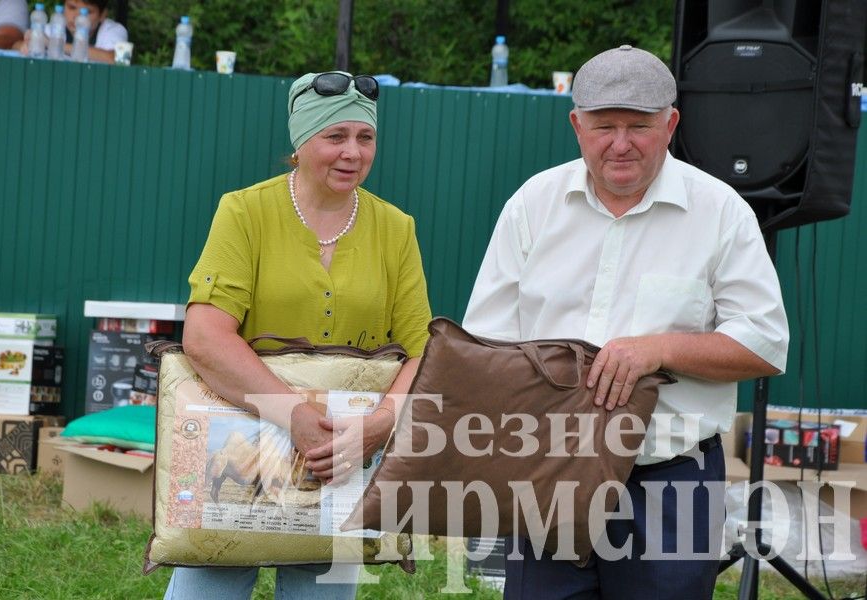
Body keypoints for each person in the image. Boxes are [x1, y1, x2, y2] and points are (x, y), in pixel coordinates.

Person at [462, 45, 789, 600]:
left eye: (638, 126)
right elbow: (484, 344)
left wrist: (659, 349)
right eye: (604, 126)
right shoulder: (532, 205)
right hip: (549, 477)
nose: (620, 143)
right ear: (576, 125)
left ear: (671, 124)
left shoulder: (721, 211)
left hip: (669, 483)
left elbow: (764, 345)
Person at [164, 71, 432, 599]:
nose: (352, 153)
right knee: (208, 583)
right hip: (236, 444)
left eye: (365, 137)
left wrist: (380, 424)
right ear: (301, 139)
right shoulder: (244, 212)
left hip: (340, 457)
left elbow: (425, 352)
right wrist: (294, 416)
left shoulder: (396, 228)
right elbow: (205, 335)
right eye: (335, 137)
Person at [15, 0, 127, 63]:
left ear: (102, 15)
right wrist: (26, 44)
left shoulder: (114, 30)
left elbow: (119, 59)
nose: (77, 17)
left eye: (86, 12)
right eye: (72, 8)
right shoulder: (54, 27)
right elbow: (14, 45)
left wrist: (53, 43)